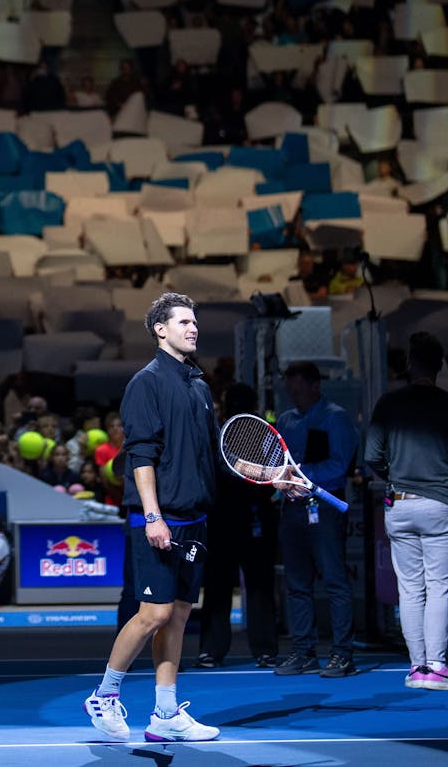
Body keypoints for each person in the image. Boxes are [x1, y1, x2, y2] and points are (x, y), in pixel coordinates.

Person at [83, 292, 220, 743]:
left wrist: (268, 475)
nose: (193, 327)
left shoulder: (198, 385)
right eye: (183, 321)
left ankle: (164, 713)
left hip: (195, 517)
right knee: (153, 613)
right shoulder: (146, 382)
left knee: (178, 615)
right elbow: (141, 454)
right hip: (161, 521)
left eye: (194, 321)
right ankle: (104, 696)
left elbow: (212, 453)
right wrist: (152, 516)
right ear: (160, 329)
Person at [362, 332, 448, 690]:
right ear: (440, 365)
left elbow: (372, 458)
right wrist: (444, 479)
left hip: (399, 505)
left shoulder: (388, 403)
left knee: (410, 591)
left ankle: (417, 668)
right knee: (438, 590)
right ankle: (437, 667)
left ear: (409, 364)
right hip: (440, 505)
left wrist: (396, 478)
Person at [272, 361, 360, 679]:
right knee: (297, 584)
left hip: (323, 510)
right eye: (290, 390)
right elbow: (276, 464)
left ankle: (343, 654)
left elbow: (340, 465)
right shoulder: (285, 419)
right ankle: (303, 652)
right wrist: (281, 482)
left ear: (315, 386)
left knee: (335, 581)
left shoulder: (336, 418)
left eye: (299, 390)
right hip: (291, 511)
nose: (294, 396)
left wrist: (300, 475)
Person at [197, 382, 279, 670]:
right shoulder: (217, 434)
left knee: (227, 587)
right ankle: (263, 651)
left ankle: (212, 650)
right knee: (252, 587)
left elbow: (272, 476)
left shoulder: (263, 433)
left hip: (245, 518)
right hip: (232, 517)